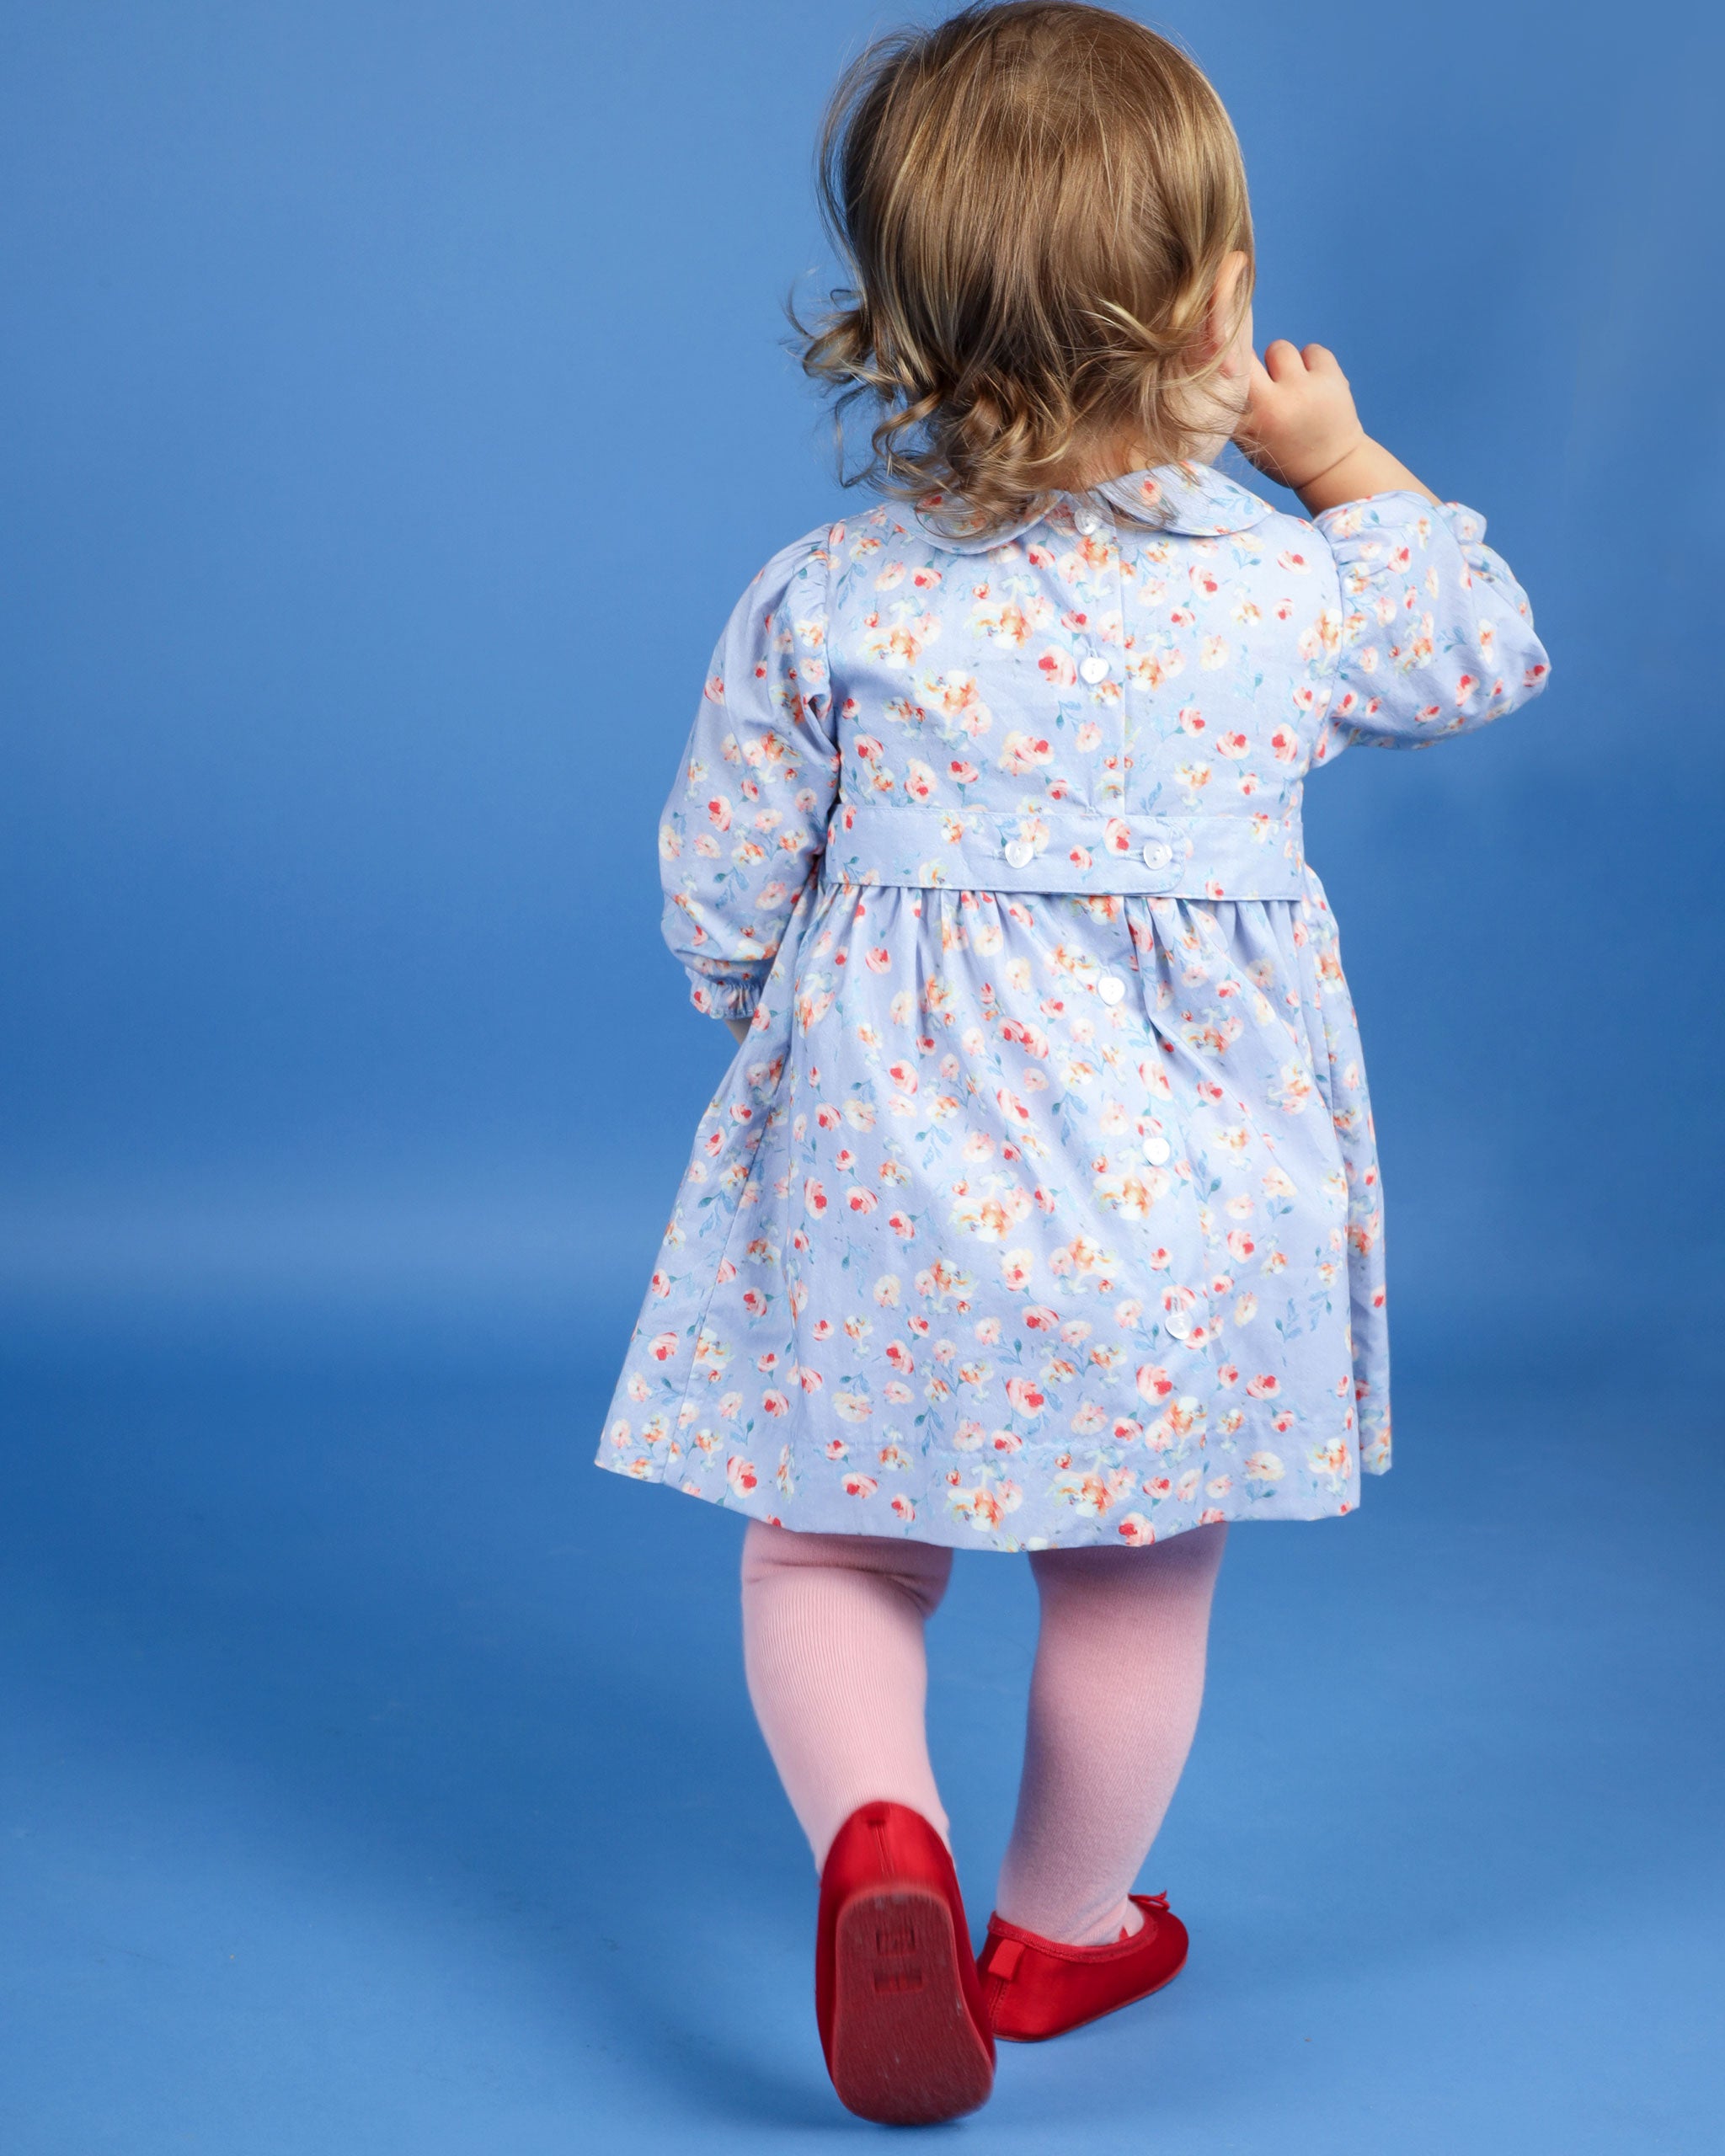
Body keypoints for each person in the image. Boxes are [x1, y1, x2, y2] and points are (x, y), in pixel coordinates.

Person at [597, 1, 1549, 2125]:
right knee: (1135, 1568)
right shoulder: (1290, 592)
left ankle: (881, 1835)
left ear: (902, 320)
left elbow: (722, 870)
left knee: (828, 1544)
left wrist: (769, 1018)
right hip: (1193, 1195)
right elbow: (1482, 646)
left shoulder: (834, 590)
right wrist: (1340, 462)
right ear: (1218, 301)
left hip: (886, 1152)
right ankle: (1056, 1931)